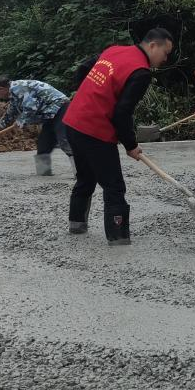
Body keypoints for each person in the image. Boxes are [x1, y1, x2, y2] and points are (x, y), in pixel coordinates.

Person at [62, 28, 174, 245]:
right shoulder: (141, 72)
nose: (165, 59)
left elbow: (83, 68)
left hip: (73, 122)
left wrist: (85, 94)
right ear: (153, 45)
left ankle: (77, 225)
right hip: (94, 130)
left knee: (86, 177)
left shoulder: (114, 50)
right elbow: (122, 113)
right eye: (165, 53)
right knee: (114, 186)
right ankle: (118, 238)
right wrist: (131, 145)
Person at [0, 76, 72, 176]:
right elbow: (7, 117)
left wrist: (20, 121)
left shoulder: (19, 88)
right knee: (43, 143)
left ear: (1, 89)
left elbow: (31, 108)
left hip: (60, 107)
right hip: (49, 113)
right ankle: (43, 173)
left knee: (64, 140)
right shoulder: (13, 95)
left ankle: (81, 172)